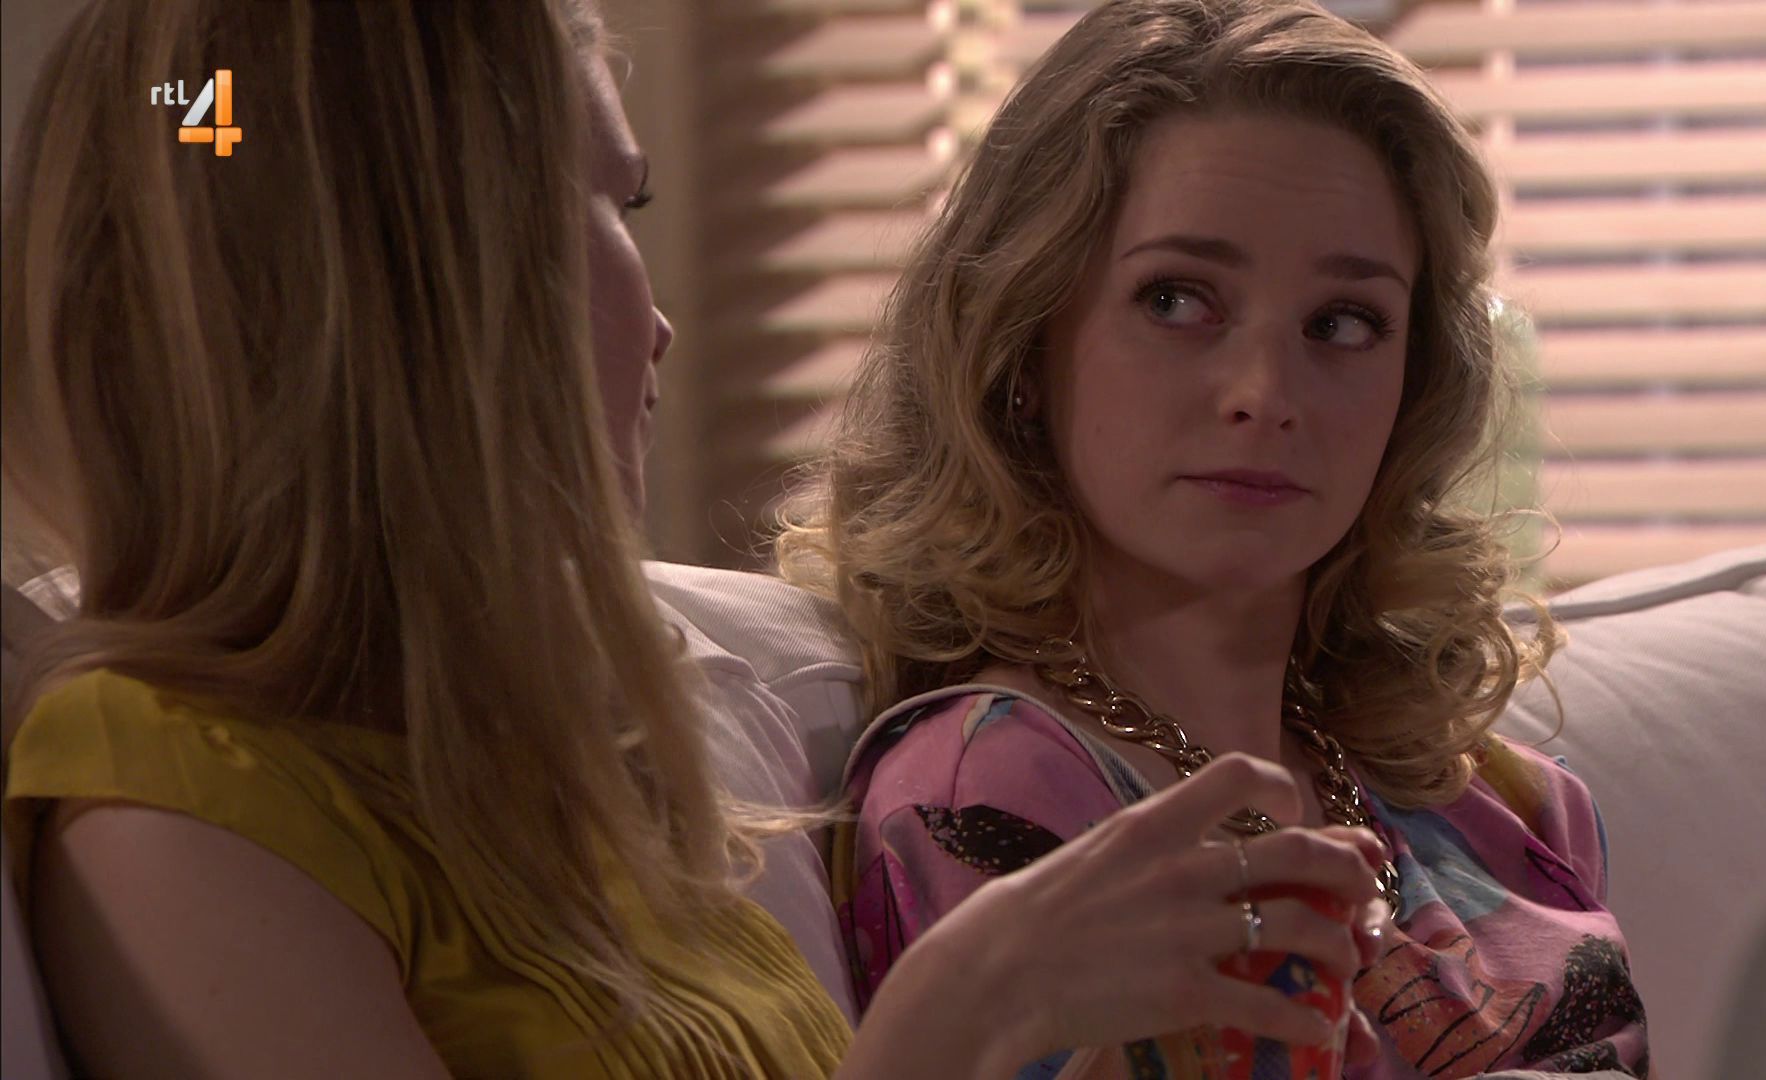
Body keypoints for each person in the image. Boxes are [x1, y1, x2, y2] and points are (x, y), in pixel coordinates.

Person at [0, 2, 1389, 1077]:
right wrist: (960, 1017)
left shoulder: (572, 738)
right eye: (612, 207)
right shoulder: (175, 803)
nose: (659, 320)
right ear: (421, 287)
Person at [775, 1, 1653, 1076]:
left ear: (1412, 387)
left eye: (1343, 322)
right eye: (1178, 300)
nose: (1265, 393)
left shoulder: (1504, 802)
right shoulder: (995, 794)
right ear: (1021, 343)